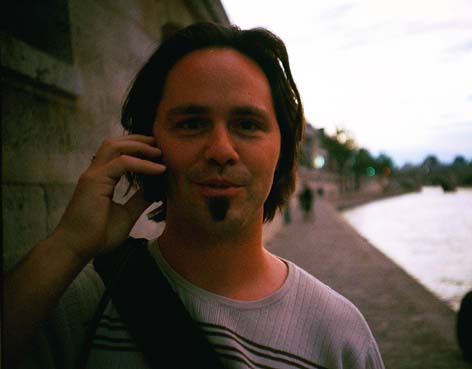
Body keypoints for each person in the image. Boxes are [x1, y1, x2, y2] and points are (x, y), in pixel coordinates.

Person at [4, 23, 385, 369]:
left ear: (283, 152)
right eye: (191, 124)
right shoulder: (64, 309)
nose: (221, 149)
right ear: (146, 144)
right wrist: (68, 246)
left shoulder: (340, 338)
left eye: (247, 125)